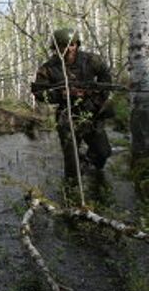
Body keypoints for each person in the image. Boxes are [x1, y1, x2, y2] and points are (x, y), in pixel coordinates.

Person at [31, 28, 113, 184]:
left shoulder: (91, 60)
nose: (68, 49)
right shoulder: (47, 68)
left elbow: (106, 80)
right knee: (71, 164)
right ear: (56, 48)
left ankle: (92, 172)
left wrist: (95, 98)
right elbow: (39, 92)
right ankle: (71, 195)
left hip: (92, 113)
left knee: (103, 152)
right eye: (62, 45)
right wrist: (61, 95)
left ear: (77, 45)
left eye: (72, 45)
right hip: (66, 116)